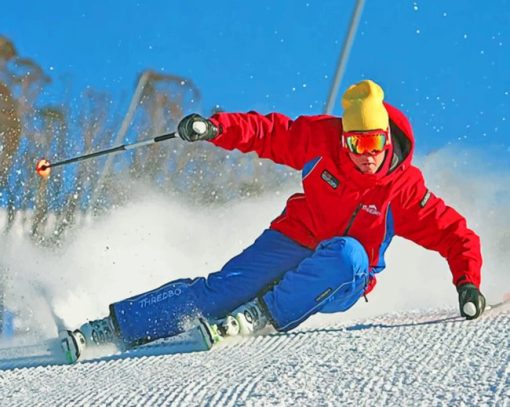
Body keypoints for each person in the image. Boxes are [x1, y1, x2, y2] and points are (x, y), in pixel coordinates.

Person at [61, 79, 485, 362]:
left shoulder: (404, 188)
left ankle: (260, 315)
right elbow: (269, 132)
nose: (365, 153)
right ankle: (111, 328)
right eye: (355, 141)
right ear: (344, 136)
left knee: (348, 255)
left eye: (374, 141)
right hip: (295, 236)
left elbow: (453, 232)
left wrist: (467, 281)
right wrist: (215, 128)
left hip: (339, 276)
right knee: (222, 291)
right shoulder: (321, 140)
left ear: (387, 137)